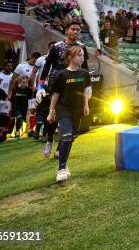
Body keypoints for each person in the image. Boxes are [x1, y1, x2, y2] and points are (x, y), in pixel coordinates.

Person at [37, 22, 90, 157]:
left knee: (73, 119)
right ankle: (49, 139)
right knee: (53, 116)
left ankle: (61, 147)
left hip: (74, 87)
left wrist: (88, 87)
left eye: (78, 30)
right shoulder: (56, 47)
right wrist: (40, 86)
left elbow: (86, 69)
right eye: (73, 29)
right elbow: (47, 66)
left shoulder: (82, 47)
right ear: (66, 31)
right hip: (56, 86)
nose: (76, 32)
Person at [48, 46, 91, 182]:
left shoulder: (84, 73)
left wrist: (86, 105)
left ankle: (64, 164)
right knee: (66, 136)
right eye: (79, 55)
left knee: (71, 137)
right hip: (63, 109)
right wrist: (51, 111)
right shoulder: (62, 74)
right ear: (70, 57)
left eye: (83, 55)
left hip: (77, 110)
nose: (82, 58)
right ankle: (61, 169)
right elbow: (56, 94)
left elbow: (85, 91)